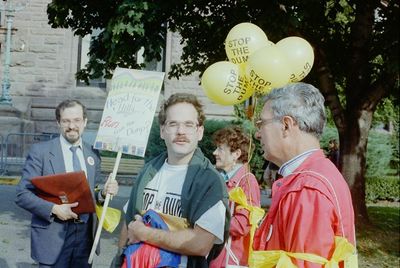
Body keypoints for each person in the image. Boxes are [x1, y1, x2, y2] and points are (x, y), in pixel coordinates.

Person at [116, 93, 230, 267]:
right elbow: (129, 225)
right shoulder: (148, 171)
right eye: (173, 124)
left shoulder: (210, 181)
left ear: (199, 132)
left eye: (188, 124)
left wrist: (145, 233)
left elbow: (200, 243)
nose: (181, 131)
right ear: (162, 131)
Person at [253, 83, 356, 267]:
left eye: (261, 123)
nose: (258, 134)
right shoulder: (316, 175)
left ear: (286, 125)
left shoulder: (306, 188)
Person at [15, 99, 119, 267]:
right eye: (66, 121)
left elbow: (91, 193)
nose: (72, 126)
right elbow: (22, 194)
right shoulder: (41, 152)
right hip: (53, 236)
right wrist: (54, 209)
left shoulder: (93, 153)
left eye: (77, 120)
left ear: (84, 122)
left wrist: (103, 193)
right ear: (58, 123)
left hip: (85, 238)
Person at [209, 126, 261, 268]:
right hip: (216, 257)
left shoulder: (247, 181)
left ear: (236, 154)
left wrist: (206, 220)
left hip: (231, 261)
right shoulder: (219, 178)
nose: (214, 153)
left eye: (220, 149)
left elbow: (242, 225)